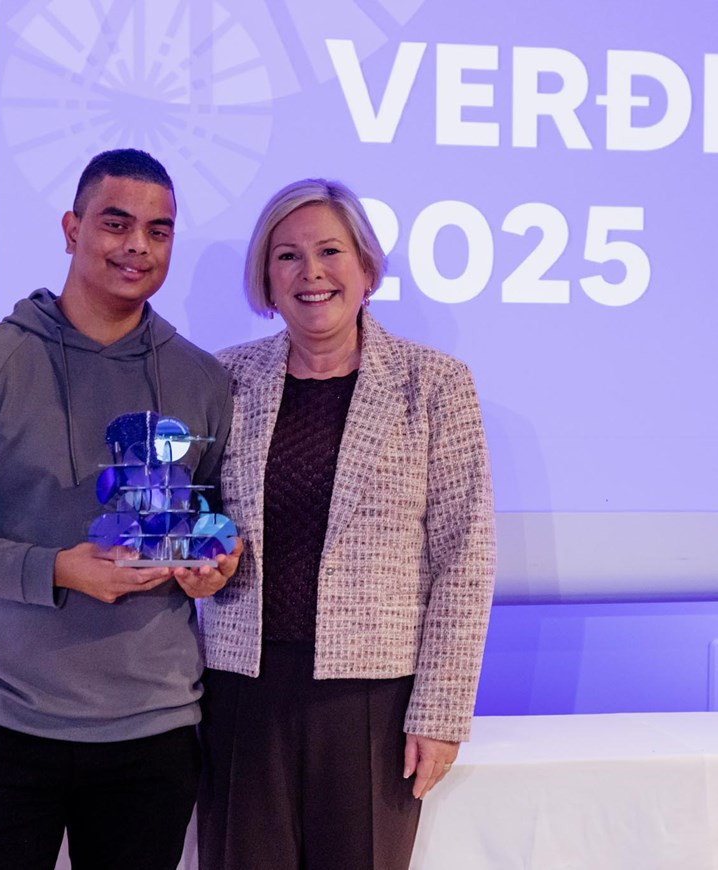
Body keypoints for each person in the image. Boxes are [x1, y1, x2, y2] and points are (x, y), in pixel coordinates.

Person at [0, 148, 239, 870]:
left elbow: (212, 525)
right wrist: (58, 569)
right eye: (116, 223)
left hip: (154, 732)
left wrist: (215, 565)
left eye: (159, 230)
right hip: (7, 723)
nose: (138, 245)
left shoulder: (204, 379)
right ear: (71, 228)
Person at [196, 179, 496, 870]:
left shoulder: (434, 383)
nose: (312, 272)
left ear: (366, 267)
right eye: (287, 256)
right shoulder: (224, 380)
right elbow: (195, 515)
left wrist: (441, 712)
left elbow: (465, 556)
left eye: (330, 251)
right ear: (266, 280)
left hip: (374, 701)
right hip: (241, 692)